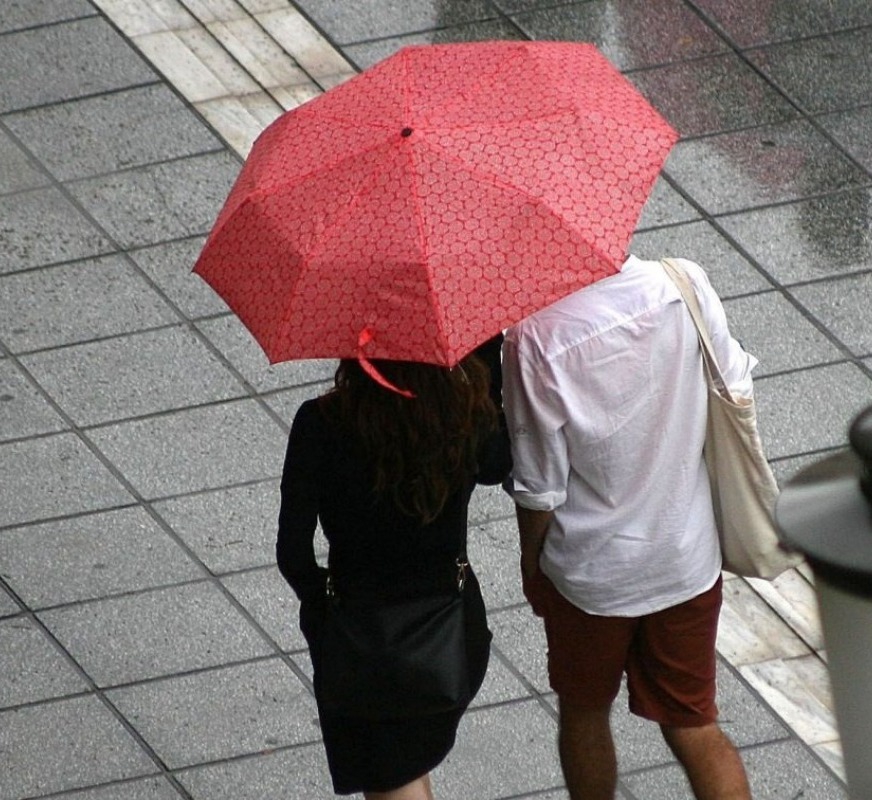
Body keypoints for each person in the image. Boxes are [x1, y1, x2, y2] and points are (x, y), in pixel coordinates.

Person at [502, 255, 756, 800]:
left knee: (585, 714)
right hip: (685, 555)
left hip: (593, 575)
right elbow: (734, 385)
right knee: (695, 725)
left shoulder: (534, 338)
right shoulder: (684, 284)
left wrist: (532, 564)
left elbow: (540, 486)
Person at [276, 336, 510, 800]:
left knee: (391, 776)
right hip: (451, 635)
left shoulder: (321, 424)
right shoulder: (462, 416)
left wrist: (323, 608)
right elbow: (498, 465)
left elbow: (293, 552)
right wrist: (486, 360)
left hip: (365, 646)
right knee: (405, 767)